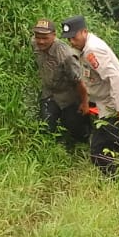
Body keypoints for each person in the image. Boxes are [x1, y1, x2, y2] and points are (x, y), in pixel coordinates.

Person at [61, 15, 119, 177]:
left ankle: (118, 177)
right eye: (69, 38)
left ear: (84, 32)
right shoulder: (83, 48)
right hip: (105, 101)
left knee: (100, 148)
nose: (72, 41)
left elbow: (114, 78)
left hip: (113, 102)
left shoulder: (93, 51)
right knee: (112, 144)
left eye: (74, 37)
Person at [32, 18, 90, 149]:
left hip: (68, 95)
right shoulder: (34, 44)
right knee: (46, 126)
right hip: (49, 92)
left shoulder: (66, 55)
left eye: (45, 38)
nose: (40, 41)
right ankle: (50, 152)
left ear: (54, 35)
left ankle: (82, 147)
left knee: (76, 127)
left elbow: (79, 81)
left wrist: (85, 102)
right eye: (38, 37)